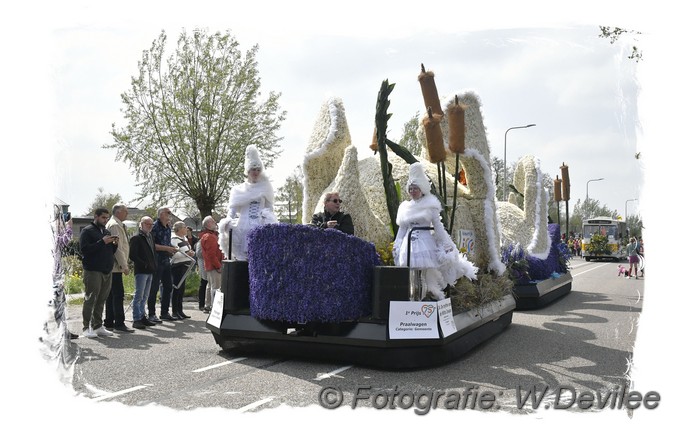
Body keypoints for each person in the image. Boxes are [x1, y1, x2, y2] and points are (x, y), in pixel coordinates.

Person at [392, 163, 478, 300]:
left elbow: (438, 228)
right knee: (411, 276)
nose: (413, 191)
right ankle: (413, 301)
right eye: (411, 189)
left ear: (422, 189)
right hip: (408, 246)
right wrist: (397, 244)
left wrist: (446, 244)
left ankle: (423, 300)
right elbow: (402, 229)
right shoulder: (405, 207)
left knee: (424, 276)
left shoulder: (430, 205)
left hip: (424, 244)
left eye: (416, 189)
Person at [218, 144, 278, 260]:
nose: (255, 172)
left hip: (260, 224)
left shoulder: (266, 187)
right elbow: (232, 210)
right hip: (243, 226)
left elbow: (269, 207)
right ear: (248, 171)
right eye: (253, 170)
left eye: (258, 170)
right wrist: (228, 221)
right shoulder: (238, 189)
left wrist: (266, 216)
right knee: (242, 257)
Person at [79, 208, 118, 338]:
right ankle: (86, 327)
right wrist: (102, 242)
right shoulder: (87, 231)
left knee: (102, 299)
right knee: (91, 299)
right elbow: (84, 250)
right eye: (103, 218)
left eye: (107, 218)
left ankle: (98, 326)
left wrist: (114, 244)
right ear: (96, 216)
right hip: (93, 270)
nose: (105, 220)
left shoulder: (106, 231)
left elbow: (109, 251)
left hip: (106, 270)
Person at [104, 203, 134, 332]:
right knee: (117, 294)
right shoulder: (115, 225)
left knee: (111, 295)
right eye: (125, 211)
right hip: (116, 266)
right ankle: (119, 323)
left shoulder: (116, 224)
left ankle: (109, 321)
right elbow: (117, 248)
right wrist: (124, 265)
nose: (127, 213)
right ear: (118, 212)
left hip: (113, 265)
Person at [149, 207, 178, 323]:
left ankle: (164, 312)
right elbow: (152, 245)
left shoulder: (168, 227)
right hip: (157, 261)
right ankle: (151, 314)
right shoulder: (155, 226)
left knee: (168, 286)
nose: (170, 215)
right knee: (154, 287)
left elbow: (166, 242)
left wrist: (172, 248)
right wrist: (168, 248)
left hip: (166, 261)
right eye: (168, 213)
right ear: (161, 214)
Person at [128, 216, 158, 329]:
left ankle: (142, 316)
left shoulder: (150, 236)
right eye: (147, 224)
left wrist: (154, 265)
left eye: (151, 224)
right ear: (141, 224)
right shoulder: (136, 238)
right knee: (139, 295)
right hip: (141, 271)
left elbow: (153, 252)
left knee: (145, 295)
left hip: (150, 270)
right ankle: (136, 319)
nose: (150, 226)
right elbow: (132, 255)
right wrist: (144, 263)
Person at [170, 221, 195, 319]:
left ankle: (180, 311)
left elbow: (187, 250)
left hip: (185, 266)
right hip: (178, 266)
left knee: (181, 289)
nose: (186, 229)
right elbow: (174, 254)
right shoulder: (174, 239)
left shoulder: (184, 239)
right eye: (185, 227)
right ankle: (175, 311)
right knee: (177, 288)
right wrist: (187, 254)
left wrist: (190, 253)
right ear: (179, 229)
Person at [200, 215, 223, 312]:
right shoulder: (210, 237)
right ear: (209, 224)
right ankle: (214, 307)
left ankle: (208, 305)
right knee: (216, 287)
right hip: (214, 266)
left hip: (210, 266)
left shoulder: (208, 236)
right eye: (213, 221)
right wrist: (218, 266)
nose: (215, 223)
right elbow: (212, 254)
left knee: (210, 286)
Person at [195, 237, 209, 312]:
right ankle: (201, 304)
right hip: (204, 264)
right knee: (204, 283)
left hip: (210, 264)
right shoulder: (202, 240)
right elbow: (199, 253)